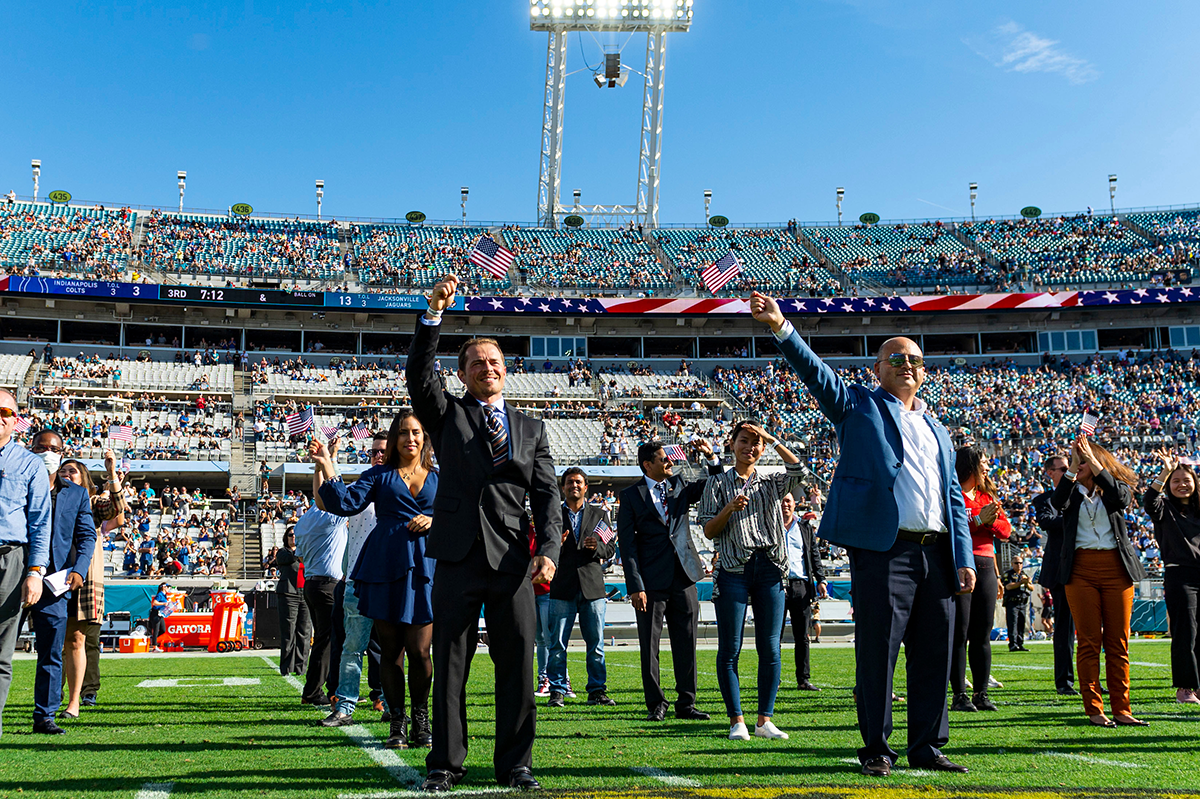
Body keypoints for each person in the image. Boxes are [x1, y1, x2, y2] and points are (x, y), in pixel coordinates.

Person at [750, 291, 974, 777]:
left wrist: (964, 557)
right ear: (877, 369)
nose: (907, 365)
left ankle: (928, 746)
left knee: (935, 653)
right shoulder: (859, 406)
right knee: (878, 652)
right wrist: (782, 327)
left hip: (935, 553)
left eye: (915, 359)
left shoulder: (938, 428)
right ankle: (875, 747)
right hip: (884, 550)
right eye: (896, 358)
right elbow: (817, 375)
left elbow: (952, 495)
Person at [408, 274, 560, 793]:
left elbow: (547, 497)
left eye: (494, 362)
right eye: (477, 363)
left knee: (518, 665)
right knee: (450, 663)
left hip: (515, 560)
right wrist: (433, 314)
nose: (487, 369)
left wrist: (550, 551)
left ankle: (516, 764)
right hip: (456, 556)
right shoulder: (447, 414)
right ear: (463, 373)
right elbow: (417, 377)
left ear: (505, 370)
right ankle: (445, 763)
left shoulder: (532, 428)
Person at [316, 412, 437, 750]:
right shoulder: (378, 475)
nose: (410, 439)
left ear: (424, 438)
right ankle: (397, 723)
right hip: (384, 567)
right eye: (403, 433)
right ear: (395, 439)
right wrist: (328, 464)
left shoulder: (439, 479)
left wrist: (433, 520)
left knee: (421, 651)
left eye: (416, 432)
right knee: (392, 653)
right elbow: (344, 503)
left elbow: (460, 518)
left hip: (424, 570)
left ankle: (421, 719)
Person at [699, 421, 807, 741]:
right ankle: (737, 721)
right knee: (730, 648)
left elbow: (798, 470)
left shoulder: (772, 481)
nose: (751, 447)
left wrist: (773, 438)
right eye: (744, 441)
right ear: (732, 444)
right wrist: (729, 509)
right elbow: (708, 530)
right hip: (733, 568)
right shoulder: (717, 484)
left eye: (756, 443)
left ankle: (764, 720)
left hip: (770, 568)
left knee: (770, 648)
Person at [617, 439, 722, 723]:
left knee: (687, 642)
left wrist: (711, 457)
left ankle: (686, 703)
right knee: (649, 645)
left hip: (685, 576)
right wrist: (635, 586)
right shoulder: (630, 496)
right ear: (647, 464)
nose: (669, 462)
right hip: (650, 583)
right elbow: (627, 547)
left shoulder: (680, 486)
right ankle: (656, 704)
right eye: (663, 459)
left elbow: (714, 484)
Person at [1052, 435, 1147, 727]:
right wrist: (1072, 470)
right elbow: (1057, 502)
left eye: (1081, 461)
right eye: (1075, 460)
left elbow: (1122, 498)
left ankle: (1122, 708)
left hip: (1116, 568)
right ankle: (1094, 709)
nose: (1076, 465)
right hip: (1079, 569)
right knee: (1089, 642)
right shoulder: (1069, 491)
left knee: (1118, 641)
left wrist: (1093, 462)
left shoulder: (1113, 489)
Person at [316, 433, 391, 727]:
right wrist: (326, 463)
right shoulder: (365, 486)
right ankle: (345, 705)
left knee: (390, 650)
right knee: (352, 648)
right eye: (373, 452)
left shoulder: (401, 487)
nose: (377, 456)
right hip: (358, 580)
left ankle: (390, 702)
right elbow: (330, 501)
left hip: (389, 580)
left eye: (383, 451)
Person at [27, 429, 95, 734]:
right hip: (17, 572)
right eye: (41, 447)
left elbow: (87, 535)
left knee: (52, 651)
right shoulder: (18, 484)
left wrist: (79, 569)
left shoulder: (76, 493)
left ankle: (45, 716)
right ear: (31, 448)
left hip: (55, 583)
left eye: (53, 449)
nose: (47, 453)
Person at [0, 390, 52, 738]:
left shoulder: (29, 463)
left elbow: (39, 521)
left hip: (10, 559)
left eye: (5, 411)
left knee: (1, 652)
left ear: (16, 420)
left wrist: (34, 571)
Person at [59, 452, 126, 717]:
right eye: (62, 472)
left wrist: (111, 474)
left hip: (86, 580)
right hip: (56, 577)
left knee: (85, 640)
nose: (66, 475)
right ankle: (56, 693)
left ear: (85, 480)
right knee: (56, 641)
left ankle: (86, 692)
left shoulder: (92, 502)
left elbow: (116, 509)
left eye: (72, 472)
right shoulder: (53, 501)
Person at [544, 467, 616, 708]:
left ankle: (597, 690)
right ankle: (557, 690)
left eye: (578, 482)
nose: (574, 486)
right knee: (557, 644)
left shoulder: (600, 515)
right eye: (569, 482)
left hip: (592, 588)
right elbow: (542, 547)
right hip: (562, 586)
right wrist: (557, 545)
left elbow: (610, 550)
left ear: (586, 487)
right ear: (562, 487)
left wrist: (596, 547)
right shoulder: (552, 514)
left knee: (596, 644)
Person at [949, 446, 1010, 713]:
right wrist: (977, 520)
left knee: (982, 634)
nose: (987, 467)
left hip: (986, 564)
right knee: (959, 633)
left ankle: (981, 694)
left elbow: (1006, 530)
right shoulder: (953, 494)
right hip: (961, 564)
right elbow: (952, 527)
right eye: (983, 463)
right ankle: (960, 695)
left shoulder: (987, 496)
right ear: (970, 466)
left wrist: (987, 521)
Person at [1143, 451, 1200, 705]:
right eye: (1175, 481)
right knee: (1185, 632)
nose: (1182, 484)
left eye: (1186, 480)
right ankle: (1185, 688)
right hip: (1180, 576)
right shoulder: (1163, 508)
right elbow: (1149, 499)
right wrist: (1165, 472)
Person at [292, 503, 348, 708]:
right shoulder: (331, 515)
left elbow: (300, 556)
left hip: (312, 582)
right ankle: (316, 691)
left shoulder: (304, 520)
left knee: (327, 639)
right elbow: (353, 505)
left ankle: (329, 689)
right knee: (328, 640)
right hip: (328, 584)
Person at [1033, 454, 1078, 696]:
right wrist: (1077, 520)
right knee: (1064, 625)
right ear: (1050, 472)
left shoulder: (1083, 494)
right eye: (1062, 468)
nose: (1069, 470)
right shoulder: (1043, 499)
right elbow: (1046, 522)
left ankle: (1090, 679)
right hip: (1061, 569)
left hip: (1084, 565)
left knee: (1090, 628)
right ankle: (1064, 681)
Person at [779, 492, 826, 693]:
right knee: (774, 636)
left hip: (801, 586)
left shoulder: (805, 529)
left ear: (795, 504)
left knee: (802, 636)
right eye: (782, 501)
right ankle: (773, 679)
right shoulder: (770, 527)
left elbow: (814, 555)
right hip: (776, 585)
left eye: (788, 501)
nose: (785, 505)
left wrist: (821, 579)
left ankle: (803, 679)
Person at [275, 531, 312, 681]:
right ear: (286, 537)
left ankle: (301, 667)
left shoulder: (306, 552)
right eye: (291, 534)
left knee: (305, 632)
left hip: (306, 594)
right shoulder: (283, 552)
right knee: (288, 632)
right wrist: (301, 548)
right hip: (288, 594)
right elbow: (289, 559)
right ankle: (286, 667)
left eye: (297, 534)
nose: (294, 537)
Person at [1001, 556, 1033, 652]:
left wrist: (1027, 583)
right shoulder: (1009, 574)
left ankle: (1020, 643)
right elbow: (1008, 587)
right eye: (1016, 563)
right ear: (1012, 564)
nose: (1018, 565)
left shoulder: (1024, 574)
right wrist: (1020, 582)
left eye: (1020, 563)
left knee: (1021, 624)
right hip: (1012, 602)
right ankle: (1013, 644)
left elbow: (1032, 588)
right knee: (1013, 624)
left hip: (1022, 603)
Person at [148, 582, 171, 648]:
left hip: (160, 614)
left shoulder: (164, 595)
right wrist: (163, 604)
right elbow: (154, 603)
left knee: (163, 630)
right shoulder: (160, 594)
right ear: (164, 587)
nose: (168, 589)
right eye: (167, 587)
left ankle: (152, 639)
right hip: (155, 613)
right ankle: (154, 646)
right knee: (156, 630)